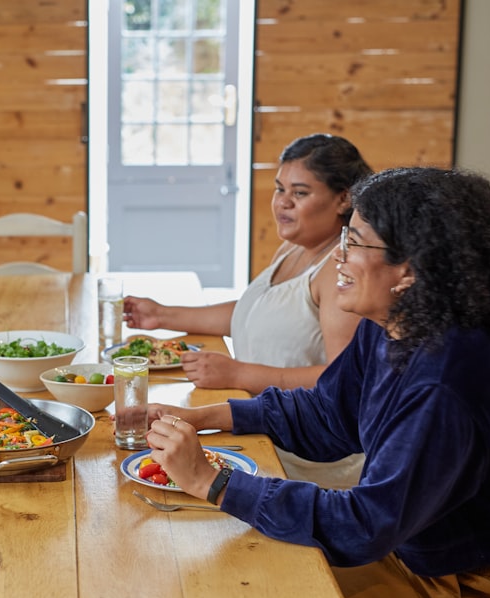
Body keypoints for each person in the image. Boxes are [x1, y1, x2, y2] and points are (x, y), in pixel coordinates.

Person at [144, 167, 490, 598]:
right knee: (234, 569)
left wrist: (212, 482)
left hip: (481, 597)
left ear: (409, 269)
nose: (337, 257)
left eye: (355, 243)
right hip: (419, 555)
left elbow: (364, 526)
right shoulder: (392, 323)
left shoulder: (445, 381)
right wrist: (211, 415)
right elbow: (329, 415)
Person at [123, 133, 373, 487]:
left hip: (303, 460)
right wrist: (163, 315)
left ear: (343, 198)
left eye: (300, 193)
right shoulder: (294, 249)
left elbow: (339, 383)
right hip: (257, 426)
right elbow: (256, 313)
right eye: (279, 189)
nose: (282, 203)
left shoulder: (338, 271)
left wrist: (240, 373)